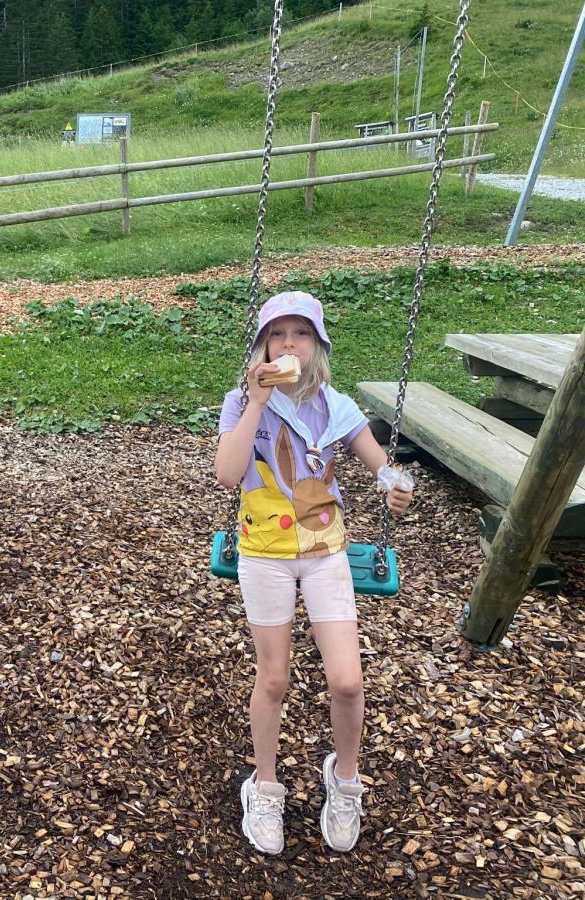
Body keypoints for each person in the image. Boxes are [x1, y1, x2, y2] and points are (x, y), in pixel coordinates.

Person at [213, 291, 414, 856]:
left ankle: (343, 779)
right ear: (262, 347)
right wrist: (256, 401)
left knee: (347, 680)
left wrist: (397, 487)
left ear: (317, 347)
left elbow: (382, 466)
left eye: (300, 333)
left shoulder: (335, 406)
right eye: (276, 335)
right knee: (274, 677)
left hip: (325, 551)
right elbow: (227, 474)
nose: (288, 345)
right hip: (264, 552)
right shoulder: (239, 402)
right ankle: (264, 785)